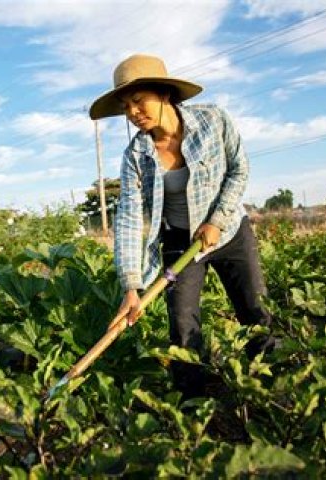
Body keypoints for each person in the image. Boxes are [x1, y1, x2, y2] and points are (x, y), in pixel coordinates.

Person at [89, 53, 273, 399]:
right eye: (126, 107)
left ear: (164, 94)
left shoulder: (213, 120)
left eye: (138, 101)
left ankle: (270, 385)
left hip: (230, 233)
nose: (132, 112)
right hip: (180, 244)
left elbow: (239, 169)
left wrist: (216, 221)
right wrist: (131, 286)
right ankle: (191, 404)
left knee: (254, 310)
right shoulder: (136, 156)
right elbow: (129, 218)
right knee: (183, 326)